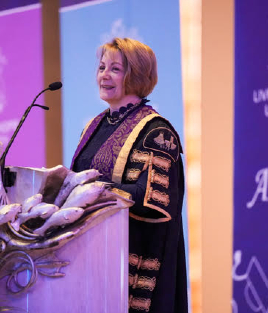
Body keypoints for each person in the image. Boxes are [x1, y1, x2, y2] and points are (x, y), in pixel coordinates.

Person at [70, 37, 188, 313]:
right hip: (90, 255)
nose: (104, 76)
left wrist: (94, 188)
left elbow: (153, 201)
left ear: (136, 74)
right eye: (101, 68)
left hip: (132, 259)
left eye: (115, 69)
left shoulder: (157, 132)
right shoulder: (95, 125)